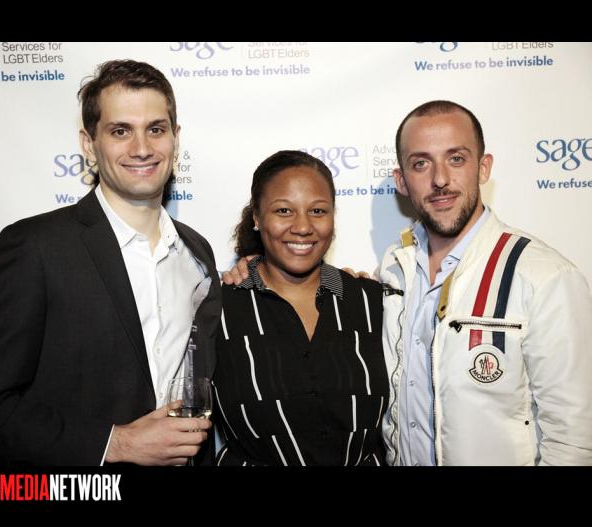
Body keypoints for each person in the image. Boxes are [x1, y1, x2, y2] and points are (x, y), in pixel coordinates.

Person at [0, 59, 220, 466]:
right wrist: (116, 444)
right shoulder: (35, 247)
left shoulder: (197, 254)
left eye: (156, 129)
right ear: (88, 143)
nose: (142, 148)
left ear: (175, 137)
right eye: (120, 131)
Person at [376, 99, 592, 465]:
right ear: (401, 181)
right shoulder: (394, 269)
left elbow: (573, 440)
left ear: (483, 167)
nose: (440, 179)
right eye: (421, 163)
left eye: (456, 158)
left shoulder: (545, 277)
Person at [213, 150, 388, 466]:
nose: (303, 227)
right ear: (256, 217)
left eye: (318, 211)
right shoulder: (216, 309)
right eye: (284, 210)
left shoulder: (373, 302)